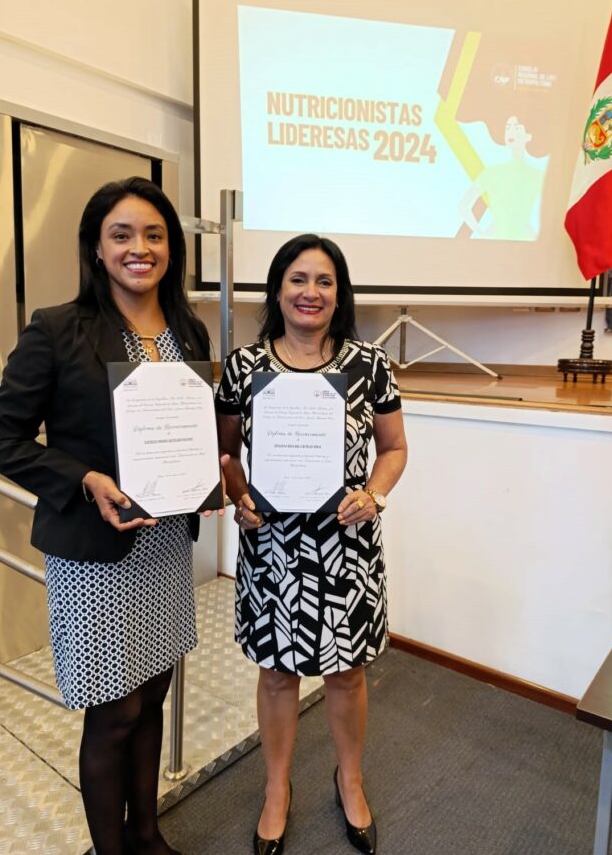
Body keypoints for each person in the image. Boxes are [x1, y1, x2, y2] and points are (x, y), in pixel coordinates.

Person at [0, 176, 220, 855]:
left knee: (153, 698)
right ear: (95, 247)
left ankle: (146, 835)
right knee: (114, 713)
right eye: (122, 234)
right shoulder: (58, 328)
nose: (139, 248)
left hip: (164, 547)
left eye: (154, 235)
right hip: (95, 553)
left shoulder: (188, 329)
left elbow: (188, 425)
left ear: (171, 248)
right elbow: (2, 438)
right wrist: (85, 479)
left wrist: (210, 472)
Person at [215, 234, 408, 855]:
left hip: (346, 545)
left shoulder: (369, 365)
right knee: (277, 675)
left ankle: (349, 779)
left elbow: (394, 449)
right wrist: (239, 497)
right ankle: (277, 788)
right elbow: (224, 456)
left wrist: (374, 494)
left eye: (325, 281)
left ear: (339, 293)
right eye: (298, 279)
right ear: (277, 289)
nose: (311, 292)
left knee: (348, 674)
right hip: (272, 548)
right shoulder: (243, 367)